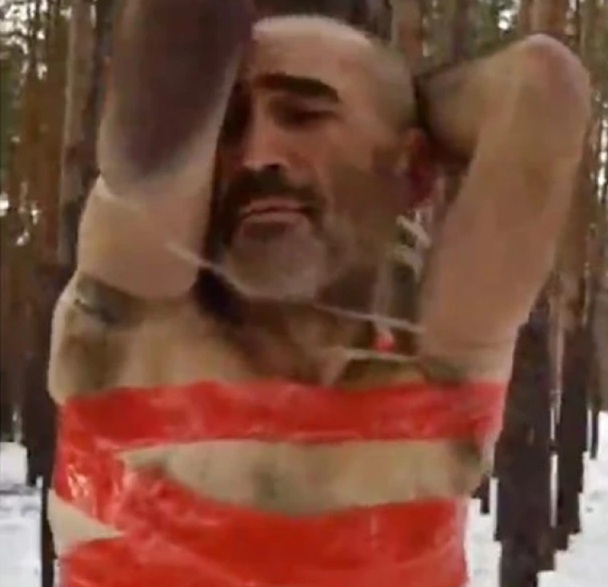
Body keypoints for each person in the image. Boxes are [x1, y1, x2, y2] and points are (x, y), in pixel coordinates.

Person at [46, 1, 591, 584]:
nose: (256, 156)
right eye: (226, 128)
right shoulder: (134, 330)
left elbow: (541, 86)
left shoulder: (436, 376)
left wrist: (393, 96)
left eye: (303, 115)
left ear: (413, 169)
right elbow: (180, 36)